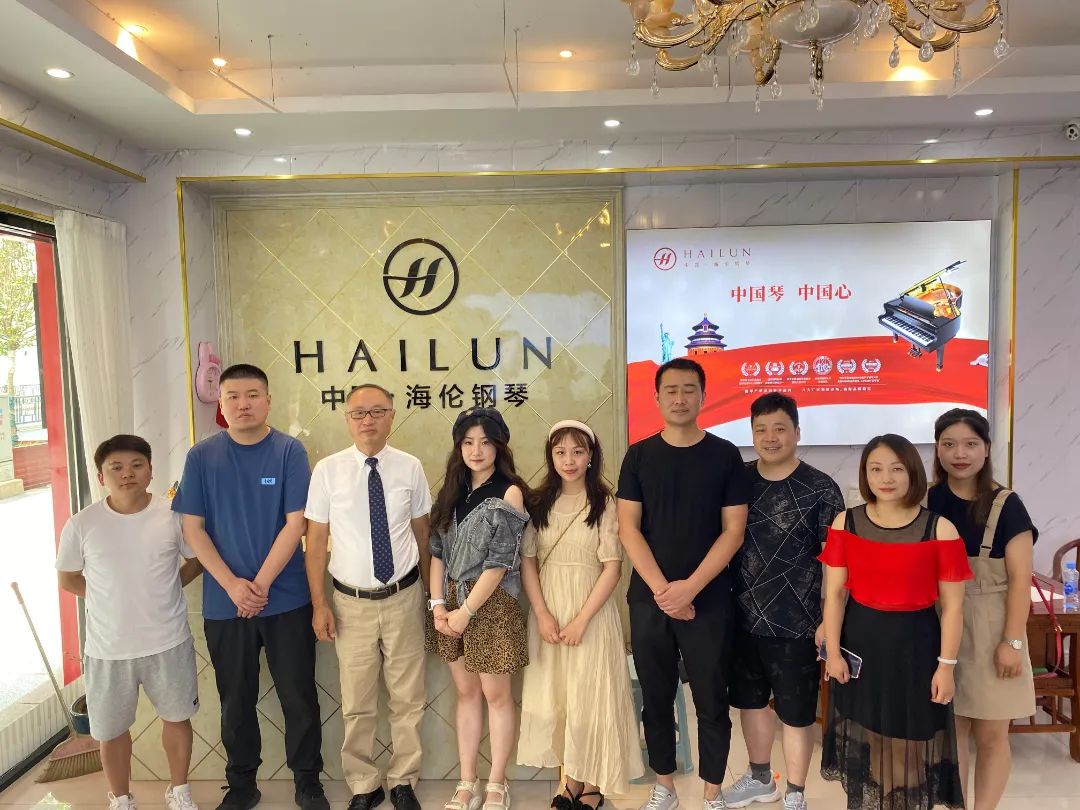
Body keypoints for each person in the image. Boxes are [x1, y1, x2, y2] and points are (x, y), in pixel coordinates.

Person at [172, 364, 328, 810]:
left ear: (268, 400)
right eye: (233, 396)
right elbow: (193, 529)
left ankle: (308, 781)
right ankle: (242, 784)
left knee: (299, 696)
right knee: (235, 700)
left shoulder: (289, 451)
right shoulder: (201, 457)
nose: (243, 404)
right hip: (225, 604)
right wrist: (233, 586)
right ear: (221, 405)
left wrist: (257, 585)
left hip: (286, 599)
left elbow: (296, 523)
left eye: (253, 395)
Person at [617, 358, 750, 810]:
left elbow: (733, 531)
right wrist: (665, 592)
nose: (680, 398)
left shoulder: (725, 455)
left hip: (709, 598)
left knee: (712, 697)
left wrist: (689, 588)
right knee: (656, 697)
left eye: (689, 389)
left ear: (703, 396)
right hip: (649, 598)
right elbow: (628, 529)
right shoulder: (638, 455)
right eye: (671, 390)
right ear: (656, 398)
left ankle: (712, 792)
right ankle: (665, 786)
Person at [819, 434, 971, 810]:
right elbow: (835, 595)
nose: (886, 478)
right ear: (865, 475)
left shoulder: (940, 529)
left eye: (896, 468)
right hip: (861, 646)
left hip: (916, 649)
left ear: (913, 473)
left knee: (908, 747)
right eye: (876, 469)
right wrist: (833, 654)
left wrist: (946, 666)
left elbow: (953, 608)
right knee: (873, 740)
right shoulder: (845, 523)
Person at [56, 435, 203, 810]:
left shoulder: (173, 515)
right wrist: (107, 598)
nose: (127, 474)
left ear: (151, 471)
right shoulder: (82, 524)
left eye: (137, 465)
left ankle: (179, 792)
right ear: (101, 476)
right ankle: (121, 799)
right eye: (116, 468)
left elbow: (197, 558)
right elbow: (68, 578)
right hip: (108, 648)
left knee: (177, 718)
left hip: (168, 640)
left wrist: (169, 587)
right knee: (111, 730)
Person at [304, 384, 432, 810]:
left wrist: (431, 598)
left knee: (408, 698)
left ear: (392, 416)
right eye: (358, 413)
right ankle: (363, 783)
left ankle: (403, 780)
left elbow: (423, 534)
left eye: (377, 411)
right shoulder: (328, 471)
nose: (368, 420)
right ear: (347, 419)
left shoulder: (410, 467)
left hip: (404, 596)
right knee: (357, 701)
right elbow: (316, 542)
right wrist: (319, 603)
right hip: (349, 603)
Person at [725, 394, 844, 810]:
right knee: (751, 702)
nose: (770, 437)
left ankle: (796, 792)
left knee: (796, 713)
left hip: (799, 622)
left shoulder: (821, 488)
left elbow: (838, 563)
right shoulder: (738, 480)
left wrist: (828, 621)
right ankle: (760, 779)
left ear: (796, 432)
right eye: (761, 429)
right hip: (742, 618)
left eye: (779, 428)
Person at [517, 420, 644, 808]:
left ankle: (591, 784)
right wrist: (542, 614)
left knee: (590, 697)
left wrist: (581, 620)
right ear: (551, 457)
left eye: (577, 451)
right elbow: (528, 561)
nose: (569, 460)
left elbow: (612, 567)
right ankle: (568, 781)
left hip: (591, 613)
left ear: (591, 456)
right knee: (558, 696)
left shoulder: (605, 504)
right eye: (560, 452)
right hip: (549, 612)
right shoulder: (537, 503)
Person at [928, 409, 1037, 810]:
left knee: (991, 736)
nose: (960, 454)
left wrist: (1012, 642)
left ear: (986, 449)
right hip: (938, 627)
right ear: (937, 450)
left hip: (993, 629)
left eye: (970, 444)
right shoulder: (926, 500)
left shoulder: (1007, 504)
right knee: (950, 734)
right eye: (949, 444)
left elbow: (1021, 580)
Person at [425, 407, 529, 810]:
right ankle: (466, 781)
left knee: (496, 695)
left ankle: (497, 783)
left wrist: (466, 611)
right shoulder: (451, 492)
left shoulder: (509, 492)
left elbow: (500, 562)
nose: (476, 450)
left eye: (485, 442)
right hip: (450, 604)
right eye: (468, 442)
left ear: (499, 446)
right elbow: (436, 553)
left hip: (492, 605)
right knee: (466, 692)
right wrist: (438, 606)